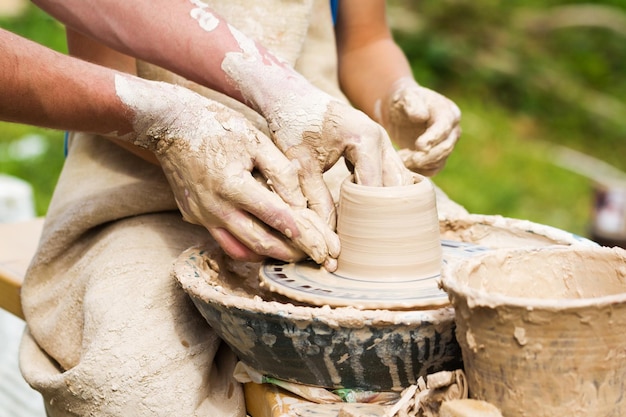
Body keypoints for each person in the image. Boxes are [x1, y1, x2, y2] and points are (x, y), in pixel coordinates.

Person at [15, 1, 462, 416]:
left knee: (480, 316)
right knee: (134, 377)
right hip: (141, 180)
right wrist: (179, 130)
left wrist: (395, 95)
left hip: (325, 166)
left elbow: (367, 42)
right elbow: (108, 69)